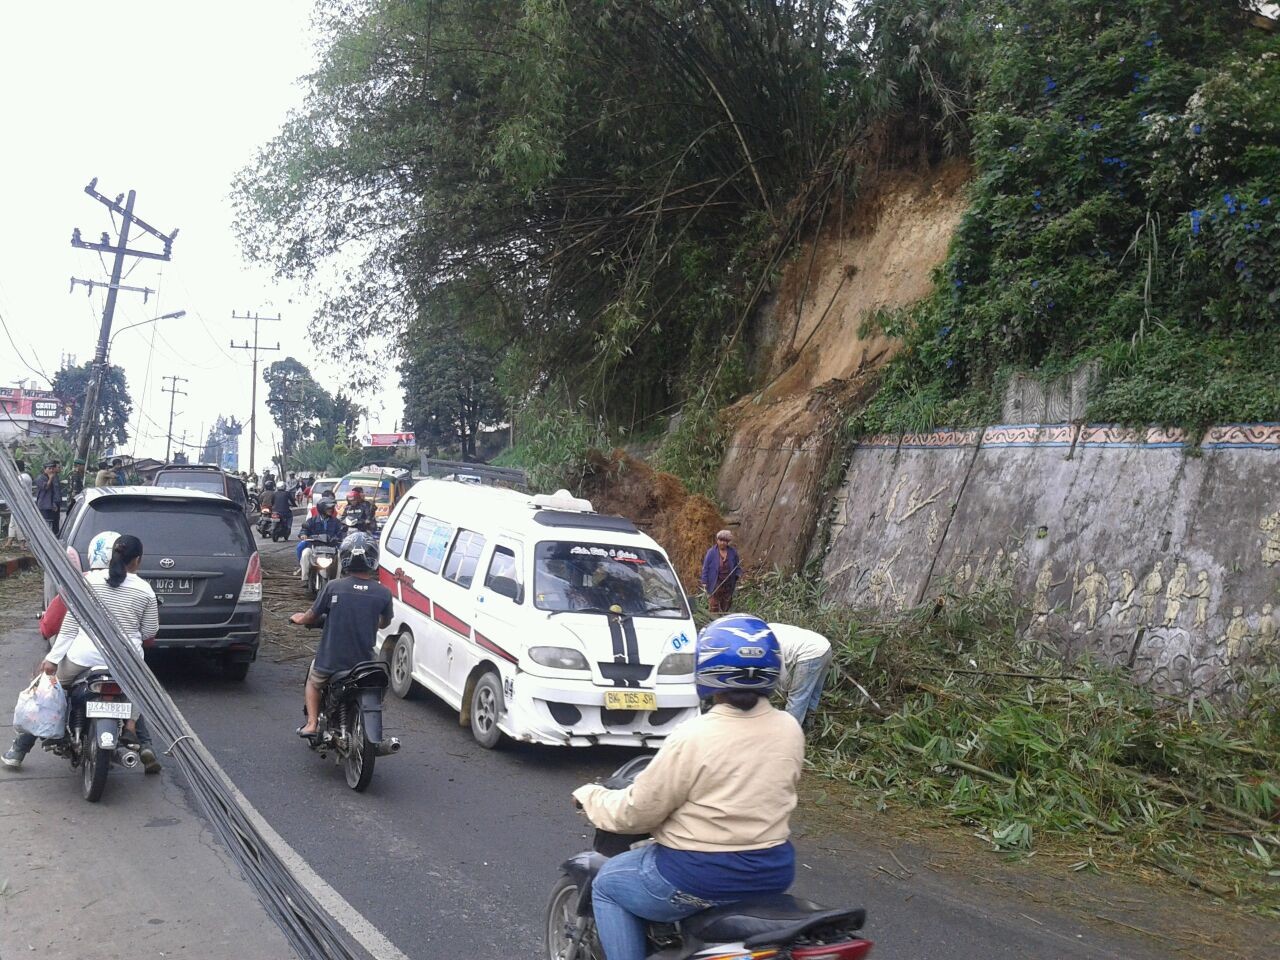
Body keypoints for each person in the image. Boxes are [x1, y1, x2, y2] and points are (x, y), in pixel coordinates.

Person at [573, 615, 803, 960]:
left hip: (698, 876)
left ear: (707, 668)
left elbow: (637, 812)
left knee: (607, 886)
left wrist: (591, 797)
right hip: (772, 872)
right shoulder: (789, 728)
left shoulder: (693, 735)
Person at [3, 532, 162, 774]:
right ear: (137, 560)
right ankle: (134, 732)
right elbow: (150, 630)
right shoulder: (145, 590)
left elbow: (69, 627)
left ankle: (18, 751)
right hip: (127, 661)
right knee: (138, 691)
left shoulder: (86, 582)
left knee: (45, 694)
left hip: (84, 657)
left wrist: (52, 660)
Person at [289, 532, 393, 737]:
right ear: (373, 559)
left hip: (332, 660)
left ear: (344, 558)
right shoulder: (383, 593)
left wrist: (299, 618)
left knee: (313, 682)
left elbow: (311, 616)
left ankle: (311, 723)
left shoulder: (333, 587)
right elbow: (384, 623)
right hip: (365, 663)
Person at [769, 622, 834, 732]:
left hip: (809, 654)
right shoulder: (768, 628)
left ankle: (788, 735)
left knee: (798, 698)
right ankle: (809, 728)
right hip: (825, 647)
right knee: (813, 693)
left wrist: (787, 692)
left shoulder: (764, 643)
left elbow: (782, 674)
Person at [295, 498, 343, 583]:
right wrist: (303, 534)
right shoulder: (312, 520)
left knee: (340, 556)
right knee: (305, 553)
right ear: (322, 509)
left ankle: (337, 581)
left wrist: (340, 537)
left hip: (331, 549)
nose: (331, 510)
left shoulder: (336, 522)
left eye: (331, 508)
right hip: (314, 548)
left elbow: (341, 532)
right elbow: (304, 529)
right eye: (328, 508)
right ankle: (305, 578)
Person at [699, 529, 741, 613]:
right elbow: (705, 567)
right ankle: (713, 619)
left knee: (726, 604)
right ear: (717, 540)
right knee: (714, 605)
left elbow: (737, 566)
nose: (722, 543)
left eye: (725, 541)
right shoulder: (711, 552)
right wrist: (704, 581)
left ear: (728, 542)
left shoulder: (732, 552)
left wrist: (737, 574)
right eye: (720, 540)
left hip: (728, 584)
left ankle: (723, 617)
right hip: (715, 583)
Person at [6, 458, 32, 542]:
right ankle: (9, 541)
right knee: (13, 522)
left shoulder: (23, 477)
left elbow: (17, 490)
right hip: (18, 503)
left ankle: (22, 542)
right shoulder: (23, 476)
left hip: (22, 504)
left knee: (19, 522)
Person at [33, 460, 62, 534]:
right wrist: (50, 479)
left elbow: (54, 492)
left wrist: (54, 503)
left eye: (52, 468)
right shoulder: (40, 478)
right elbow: (45, 487)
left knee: (51, 524)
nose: (51, 470)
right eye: (49, 469)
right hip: (43, 505)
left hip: (51, 505)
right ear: (45, 469)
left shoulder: (54, 477)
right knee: (45, 524)